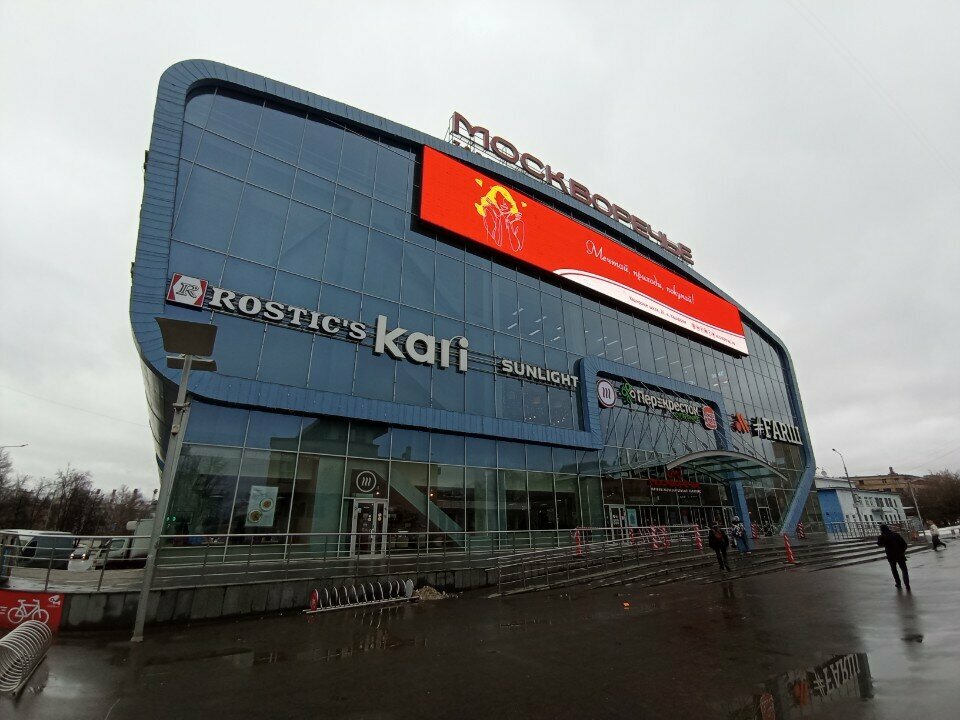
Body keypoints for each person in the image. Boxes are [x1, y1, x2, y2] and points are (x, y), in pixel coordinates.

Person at [877, 524, 910, 591]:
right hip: (900, 555)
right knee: (904, 570)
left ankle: (898, 583)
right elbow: (904, 544)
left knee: (894, 570)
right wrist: (902, 551)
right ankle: (907, 585)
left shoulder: (882, 537)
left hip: (890, 556)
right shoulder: (896, 535)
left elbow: (879, 544)